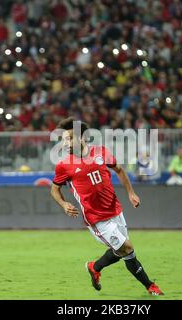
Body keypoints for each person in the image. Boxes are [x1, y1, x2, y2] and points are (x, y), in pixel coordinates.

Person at [50, 117, 164, 296]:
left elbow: (119, 169)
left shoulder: (101, 152)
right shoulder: (64, 166)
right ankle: (150, 286)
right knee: (127, 248)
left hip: (115, 210)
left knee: (124, 252)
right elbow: (54, 190)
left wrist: (131, 193)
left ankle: (94, 267)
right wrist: (64, 204)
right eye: (63, 140)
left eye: (69, 138)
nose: (65, 143)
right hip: (96, 219)